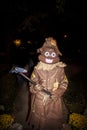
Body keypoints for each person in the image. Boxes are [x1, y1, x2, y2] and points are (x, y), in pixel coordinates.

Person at [27, 37, 68, 130]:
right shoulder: (37, 68)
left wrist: (58, 92)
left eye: (52, 54)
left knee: (51, 121)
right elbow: (32, 82)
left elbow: (64, 82)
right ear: (42, 53)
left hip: (53, 100)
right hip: (39, 99)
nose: (49, 56)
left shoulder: (60, 69)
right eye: (47, 53)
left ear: (56, 55)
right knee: (40, 121)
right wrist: (35, 87)